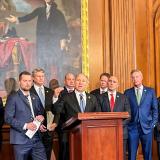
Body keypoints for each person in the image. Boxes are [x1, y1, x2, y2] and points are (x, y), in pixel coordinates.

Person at [6, 0, 69, 81]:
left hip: (54, 43)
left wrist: (63, 39)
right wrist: (17, 19)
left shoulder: (58, 13)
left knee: (56, 64)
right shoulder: (40, 10)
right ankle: (43, 84)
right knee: (42, 64)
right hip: (42, 42)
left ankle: (58, 83)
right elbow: (30, 16)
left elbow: (63, 27)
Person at [54, 73, 101, 160]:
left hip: (88, 133)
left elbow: (97, 115)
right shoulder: (66, 97)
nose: (80, 83)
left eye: (83, 81)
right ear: (75, 82)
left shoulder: (93, 98)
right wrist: (55, 98)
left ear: (87, 84)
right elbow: (57, 111)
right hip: (70, 134)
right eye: (78, 80)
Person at [4, 71, 47, 160]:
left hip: (36, 139)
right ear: (19, 82)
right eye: (25, 81)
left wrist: (40, 123)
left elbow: (39, 114)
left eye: (29, 81)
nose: (28, 83)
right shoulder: (13, 97)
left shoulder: (35, 97)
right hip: (20, 140)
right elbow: (8, 118)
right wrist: (26, 125)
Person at [124, 69, 158, 160]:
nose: (135, 79)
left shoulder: (150, 91)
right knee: (131, 155)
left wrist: (152, 124)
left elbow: (155, 110)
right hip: (132, 128)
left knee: (147, 155)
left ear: (141, 77)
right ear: (131, 79)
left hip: (147, 128)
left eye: (137, 76)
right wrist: (127, 125)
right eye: (133, 77)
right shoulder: (127, 92)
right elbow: (125, 111)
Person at [99, 75, 131, 160]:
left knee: (121, 156)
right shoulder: (100, 97)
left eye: (114, 82)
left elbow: (128, 115)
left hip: (121, 132)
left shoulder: (124, 98)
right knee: (107, 155)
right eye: (110, 81)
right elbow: (98, 115)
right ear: (107, 83)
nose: (111, 83)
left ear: (118, 85)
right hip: (105, 132)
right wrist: (109, 127)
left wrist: (117, 126)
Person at [30, 68, 58, 160]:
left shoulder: (50, 91)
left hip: (48, 131)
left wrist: (55, 123)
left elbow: (55, 110)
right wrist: (38, 124)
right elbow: (27, 111)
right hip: (34, 131)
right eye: (38, 76)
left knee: (47, 155)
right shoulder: (29, 91)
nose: (41, 78)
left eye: (42, 76)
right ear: (33, 78)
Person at [53, 72, 75, 160]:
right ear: (65, 81)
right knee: (65, 149)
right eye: (69, 79)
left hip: (78, 126)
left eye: (73, 79)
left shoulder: (79, 92)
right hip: (63, 126)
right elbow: (55, 110)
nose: (71, 81)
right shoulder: (60, 92)